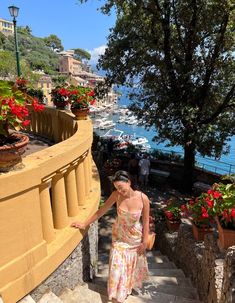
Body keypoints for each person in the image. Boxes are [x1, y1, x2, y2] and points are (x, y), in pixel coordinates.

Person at [71, 170, 150, 303]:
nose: (119, 190)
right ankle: (116, 296)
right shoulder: (116, 195)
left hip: (135, 238)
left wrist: (144, 242)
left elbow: (146, 221)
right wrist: (85, 223)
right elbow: (101, 210)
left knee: (129, 266)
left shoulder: (143, 198)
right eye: (116, 188)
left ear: (129, 182)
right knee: (116, 267)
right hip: (119, 236)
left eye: (120, 187)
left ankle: (125, 289)